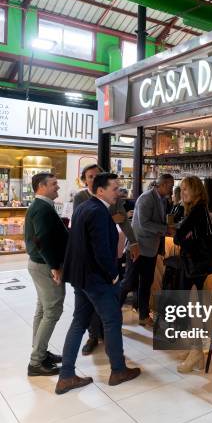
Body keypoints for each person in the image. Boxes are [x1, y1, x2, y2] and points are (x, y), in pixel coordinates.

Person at [55, 173, 141, 395]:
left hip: (81, 277)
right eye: (114, 188)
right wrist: (113, 275)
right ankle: (118, 370)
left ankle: (65, 375)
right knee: (112, 321)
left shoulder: (86, 207)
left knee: (79, 322)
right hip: (96, 279)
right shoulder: (98, 212)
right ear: (100, 190)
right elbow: (102, 250)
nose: (119, 191)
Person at [74, 164, 138, 355]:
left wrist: (133, 242)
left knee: (108, 302)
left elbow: (123, 219)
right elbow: (110, 218)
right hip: (91, 260)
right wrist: (114, 217)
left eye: (96, 175)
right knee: (92, 304)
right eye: (90, 176)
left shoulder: (110, 195)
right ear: (85, 179)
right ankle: (95, 337)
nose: (93, 179)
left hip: (113, 251)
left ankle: (106, 337)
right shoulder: (81, 198)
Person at [25, 172, 69, 376]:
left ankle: (40, 354)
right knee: (52, 310)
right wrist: (54, 266)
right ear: (41, 187)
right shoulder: (42, 209)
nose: (57, 188)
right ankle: (36, 362)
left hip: (38, 264)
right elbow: (42, 241)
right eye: (54, 185)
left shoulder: (41, 206)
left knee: (43, 310)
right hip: (44, 265)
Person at [120, 174, 174, 327]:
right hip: (137, 247)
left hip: (150, 248)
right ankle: (111, 312)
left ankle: (143, 316)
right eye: (170, 185)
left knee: (146, 282)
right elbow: (144, 224)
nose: (172, 188)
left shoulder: (161, 199)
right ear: (162, 185)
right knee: (129, 282)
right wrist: (165, 230)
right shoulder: (146, 198)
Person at [174, 176, 211, 374]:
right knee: (192, 306)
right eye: (181, 189)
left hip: (195, 265)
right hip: (195, 263)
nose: (182, 193)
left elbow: (179, 236)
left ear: (196, 190)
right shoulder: (197, 209)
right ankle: (195, 349)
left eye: (186, 189)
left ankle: (197, 350)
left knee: (194, 307)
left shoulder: (197, 210)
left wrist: (181, 233)